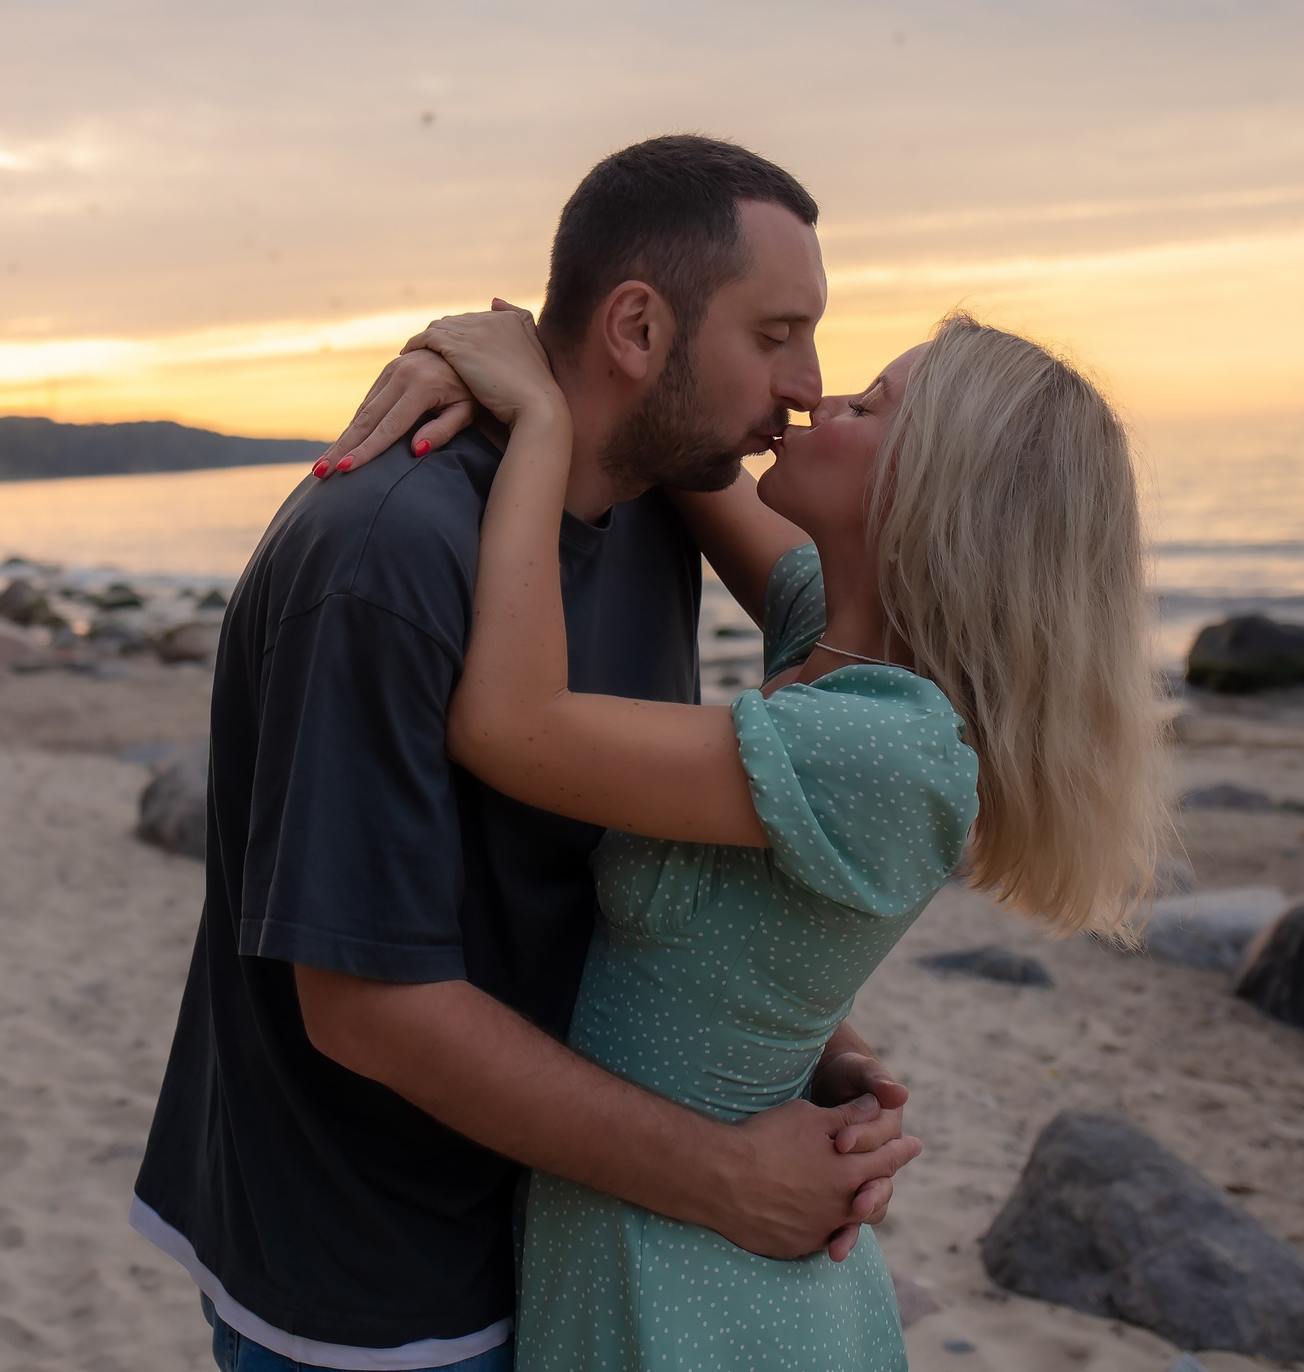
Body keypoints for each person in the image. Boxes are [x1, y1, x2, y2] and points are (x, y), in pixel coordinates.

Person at [131, 137, 924, 1372]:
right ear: (637, 328)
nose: (809, 389)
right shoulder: (388, 553)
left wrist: (798, 1046)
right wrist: (723, 1176)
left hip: (565, 1233)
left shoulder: (653, 493)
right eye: (776, 335)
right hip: (384, 1288)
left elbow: (586, 862)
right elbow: (367, 1008)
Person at [385, 301, 1170, 1369]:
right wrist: (556, 344)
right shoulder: (836, 643)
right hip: (658, 1224)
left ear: (931, 496)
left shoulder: (884, 745)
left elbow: (509, 726)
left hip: (705, 1280)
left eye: (869, 406)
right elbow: (677, 440)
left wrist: (539, 416)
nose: (818, 399)